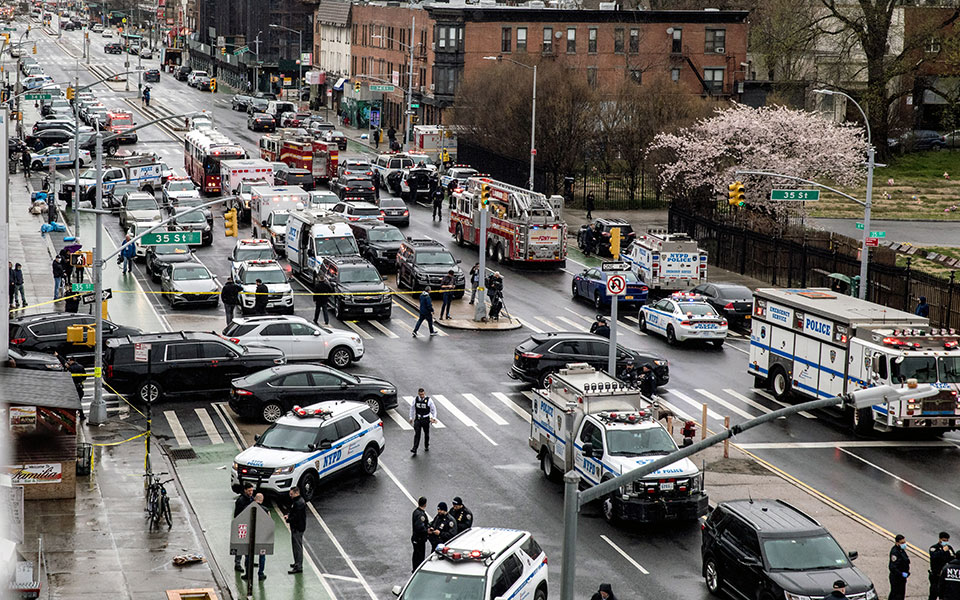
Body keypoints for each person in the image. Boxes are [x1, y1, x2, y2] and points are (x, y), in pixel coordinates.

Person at [233, 483, 255, 572]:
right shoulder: (241, 500)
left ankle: (248, 560)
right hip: (242, 525)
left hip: (248, 524)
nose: (251, 492)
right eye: (249, 491)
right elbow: (238, 514)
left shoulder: (250, 498)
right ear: (245, 490)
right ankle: (237, 563)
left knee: (248, 544)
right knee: (241, 545)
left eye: (252, 490)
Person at [247, 493, 269, 580]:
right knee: (262, 555)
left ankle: (248, 573)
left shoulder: (249, 508)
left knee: (248, 554)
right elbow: (269, 523)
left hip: (251, 535)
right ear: (262, 500)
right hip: (262, 536)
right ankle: (261, 573)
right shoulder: (266, 510)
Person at [285, 486, 306, 574]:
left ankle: (298, 566)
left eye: (292, 494)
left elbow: (296, 516)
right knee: (296, 546)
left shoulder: (299, 503)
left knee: (297, 547)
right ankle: (297, 562)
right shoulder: (297, 501)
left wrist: (288, 519)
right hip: (297, 526)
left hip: (297, 527)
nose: (290, 495)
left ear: (296, 493)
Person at [409, 388, 437, 454]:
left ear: (424, 393)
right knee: (417, 434)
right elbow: (412, 409)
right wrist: (411, 417)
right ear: (418, 393)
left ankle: (426, 445)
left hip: (426, 419)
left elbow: (433, 410)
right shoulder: (415, 400)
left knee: (426, 434)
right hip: (418, 419)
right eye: (420, 394)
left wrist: (434, 418)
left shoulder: (429, 400)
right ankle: (414, 448)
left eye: (423, 394)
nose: (422, 395)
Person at [930, 532, 955, 600]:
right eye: (944, 540)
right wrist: (943, 551)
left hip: (945, 574)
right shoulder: (934, 548)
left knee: (944, 592)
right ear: (940, 539)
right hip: (936, 574)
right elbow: (933, 556)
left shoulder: (949, 548)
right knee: (934, 592)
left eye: (947, 540)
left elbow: (953, 557)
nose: (945, 542)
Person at [63, 356, 87, 421]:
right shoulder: (81, 366)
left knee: (74, 403)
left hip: (73, 388)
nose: (68, 362)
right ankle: (81, 416)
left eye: (69, 361)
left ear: (72, 361)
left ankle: (71, 417)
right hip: (80, 387)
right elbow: (85, 377)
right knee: (78, 402)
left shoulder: (70, 368)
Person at [889, 534, 911, 600]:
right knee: (895, 595)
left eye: (904, 542)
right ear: (897, 543)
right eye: (902, 543)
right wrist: (901, 574)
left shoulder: (901, 550)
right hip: (896, 578)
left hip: (902, 578)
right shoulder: (895, 552)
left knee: (901, 595)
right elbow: (893, 567)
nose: (904, 544)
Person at [411, 496, 429, 572]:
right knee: (419, 556)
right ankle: (417, 570)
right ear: (425, 504)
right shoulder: (421, 515)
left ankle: (415, 568)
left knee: (415, 554)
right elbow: (420, 527)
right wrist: (427, 531)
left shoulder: (415, 512)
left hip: (415, 538)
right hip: (419, 539)